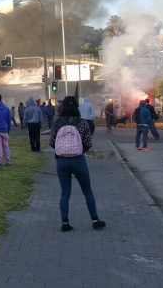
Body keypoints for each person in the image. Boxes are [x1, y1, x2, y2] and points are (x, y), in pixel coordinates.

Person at [49, 96, 106, 233]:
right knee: (87, 191)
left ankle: (65, 223)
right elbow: (88, 143)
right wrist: (80, 150)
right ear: (76, 107)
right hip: (78, 160)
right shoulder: (82, 123)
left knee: (65, 193)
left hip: (61, 161)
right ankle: (95, 221)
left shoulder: (57, 123)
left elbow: (52, 142)